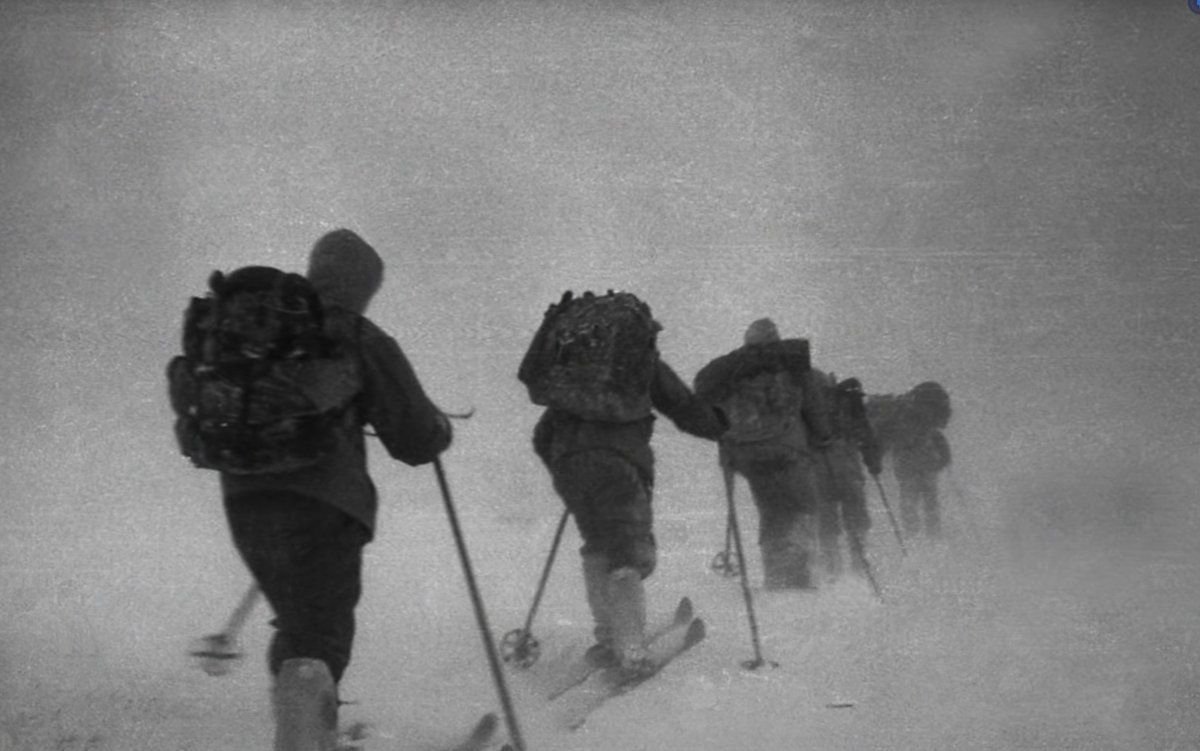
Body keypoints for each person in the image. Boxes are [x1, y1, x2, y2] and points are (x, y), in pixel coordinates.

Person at [170, 229, 452, 751]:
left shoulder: (260, 329)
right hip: (326, 504)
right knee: (318, 632)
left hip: (244, 499)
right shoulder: (355, 334)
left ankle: (310, 734)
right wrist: (439, 431)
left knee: (300, 623)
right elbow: (415, 438)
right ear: (365, 285)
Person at [524, 292, 726, 677]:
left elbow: (541, 436)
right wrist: (721, 427)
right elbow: (684, 408)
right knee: (627, 551)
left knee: (598, 546)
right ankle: (631, 649)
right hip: (619, 466)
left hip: (570, 467)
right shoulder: (638, 364)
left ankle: (609, 638)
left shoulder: (569, 378)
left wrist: (565, 468)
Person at [694, 318, 833, 591]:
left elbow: (707, 406)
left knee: (771, 511)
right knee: (801, 507)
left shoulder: (731, 369)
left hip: (746, 455)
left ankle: (776, 575)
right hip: (787, 450)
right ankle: (797, 574)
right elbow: (814, 407)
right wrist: (823, 438)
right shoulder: (791, 363)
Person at [813, 375, 883, 582]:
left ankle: (832, 571)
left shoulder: (805, 407)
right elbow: (866, 437)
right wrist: (873, 464)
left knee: (827, 523)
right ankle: (860, 569)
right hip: (847, 468)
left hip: (818, 470)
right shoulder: (850, 405)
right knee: (856, 519)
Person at [868, 381, 952, 539]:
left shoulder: (902, 415)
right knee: (928, 503)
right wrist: (943, 459)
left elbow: (885, 439)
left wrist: (875, 458)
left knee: (910, 502)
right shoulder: (923, 417)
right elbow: (937, 435)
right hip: (926, 461)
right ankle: (932, 538)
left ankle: (913, 537)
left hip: (907, 462)